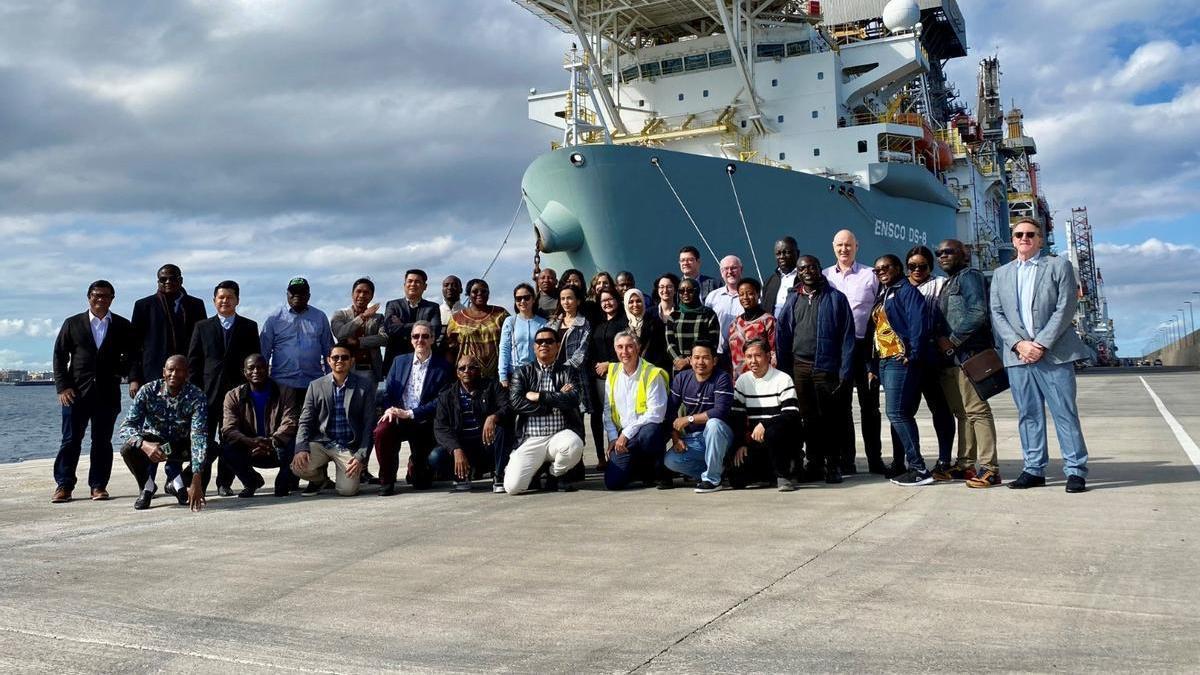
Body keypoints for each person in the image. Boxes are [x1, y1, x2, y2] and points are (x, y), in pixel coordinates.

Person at [990, 217, 1090, 493]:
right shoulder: (1002, 274)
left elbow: (1066, 306)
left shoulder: (1059, 266)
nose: (1024, 238)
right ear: (1012, 240)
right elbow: (996, 314)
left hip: (1054, 354)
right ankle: (1033, 469)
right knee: (1028, 414)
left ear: (1040, 239)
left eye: (1030, 234)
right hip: (1018, 357)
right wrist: (1019, 344)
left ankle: (1075, 470)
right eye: (1019, 234)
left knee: (1065, 413)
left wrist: (1041, 344)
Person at [51, 280, 137, 503]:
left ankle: (98, 486)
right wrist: (63, 387)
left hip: (107, 393)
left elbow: (133, 355)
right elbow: (60, 356)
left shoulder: (121, 325)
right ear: (88, 297)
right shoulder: (72, 323)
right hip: (76, 393)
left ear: (112, 298)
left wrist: (127, 376)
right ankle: (64, 485)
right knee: (70, 440)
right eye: (96, 295)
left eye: (106, 296)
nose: (101, 299)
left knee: (102, 441)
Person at [776, 255, 856, 484]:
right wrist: (784, 369)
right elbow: (783, 335)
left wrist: (845, 370)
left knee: (830, 419)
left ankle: (833, 465)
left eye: (812, 266)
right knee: (809, 419)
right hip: (799, 367)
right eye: (803, 268)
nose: (808, 271)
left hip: (826, 367)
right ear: (798, 273)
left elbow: (847, 337)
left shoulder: (836, 299)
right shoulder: (793, 300)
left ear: (820, 269)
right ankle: (815, 464)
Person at [935, 239, 1002, 488]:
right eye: (939, 253)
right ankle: (965, 464)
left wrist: (952, 340)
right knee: (962, 413)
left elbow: (978, 311)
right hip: (951, 358)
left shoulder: (969, 276)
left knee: (977, 411)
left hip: (968, 354)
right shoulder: (948, 283)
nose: (942, 256)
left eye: (948, 251)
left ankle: (990, 468)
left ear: (965, 254)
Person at [186, 280, 261, 496]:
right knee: (205, 440)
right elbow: (194, 362)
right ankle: (201, 482)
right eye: (221, 297)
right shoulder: (202, 327)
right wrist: (195, 392)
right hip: (207, 394)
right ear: (214, 300)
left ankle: (224, 483)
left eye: (229, 297)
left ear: (237, 300)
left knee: (231, 439)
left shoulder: (249, 326)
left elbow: (254, 362)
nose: (225, 301)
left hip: (238, 396)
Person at [868, 254, 933, 487]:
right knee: (899, 413)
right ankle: (905, 464)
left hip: (900, 360)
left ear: (898, 268)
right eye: (877, 270)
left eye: (886, 267)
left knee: (897, 413)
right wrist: (873, 365)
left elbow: (918, 324)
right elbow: (878, 331)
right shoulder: (883, 292)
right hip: (885, 361)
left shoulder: (907, 291)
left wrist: (912, 354)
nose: (881, 272)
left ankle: (919, 468)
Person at [117, 355, 207, 511]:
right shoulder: (147, 391)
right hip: (154, 443)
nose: (174, 374)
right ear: (163, 372)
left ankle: (178, 482)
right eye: (170, 370)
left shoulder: (197, 396)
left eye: (179, 371)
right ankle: (147, 487)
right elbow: (126, 426)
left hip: (179, 445)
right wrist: (145, 445)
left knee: (211, 448)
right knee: (128, 449)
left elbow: (198, 436)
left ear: (186, 373)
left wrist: (196, 479)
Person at [825, 230, 882, 474]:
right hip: (838, 351)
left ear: (857, 246)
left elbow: (882, 312)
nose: (844, 250)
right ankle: (847, 460)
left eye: (848, 245)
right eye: (839, 245)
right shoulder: (825, 276)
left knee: (870, 407)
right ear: (833, 247)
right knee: (842, 407)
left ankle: (875, 460)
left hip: (864, 348)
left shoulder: (870, 275)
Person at [504, 326, 586, 495]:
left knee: (574, 445)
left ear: (557, 346)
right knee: (513, 488)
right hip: (531, 438)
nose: (544, 345)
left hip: (559, 435)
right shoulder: (523, 372)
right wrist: (554, 400)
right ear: (534, 347)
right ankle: (534, 469)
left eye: (549, 341)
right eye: (539, 342)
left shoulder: (568, 371)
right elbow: (516, 403)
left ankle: (554, 474)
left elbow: (574, 398)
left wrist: (539, 396)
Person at [373, 321, 452, 495]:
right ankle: (386, 479)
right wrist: (389, 409)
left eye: (425, 336)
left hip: (424, 422)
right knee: (382, 430)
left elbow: (441, 401)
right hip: (399, 418)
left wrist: (411, 413)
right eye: (416, 336)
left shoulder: (443, 367)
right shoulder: (399, 361)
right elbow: (389, 392)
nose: (420, 340)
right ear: (411, 340)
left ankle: (414, 465)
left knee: (421, 483)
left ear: (432, 339)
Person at [292, 343, 377, 497]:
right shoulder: (316, 386)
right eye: (335, 357)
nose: (339, 360)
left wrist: (360, 457)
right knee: (298, 466)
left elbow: (369, 425)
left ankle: (344, 477)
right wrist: (301, 448)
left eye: (344, 357)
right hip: (322, 442)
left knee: (347, 490)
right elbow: (305, 420)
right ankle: (321, 480)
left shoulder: (365, 386)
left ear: (351, 361)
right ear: (328, 361)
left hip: (348, 446)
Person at [901, 246, 956, 480]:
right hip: (907, 361)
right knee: (903, 411)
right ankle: (905, 459)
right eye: (912, 266)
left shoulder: (940, 285)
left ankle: (944, 459)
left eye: (922, 266)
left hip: (933, 359)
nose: (916, 270)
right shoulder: (899, 288)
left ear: (930, 267)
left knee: (940, 410)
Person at [220, 354, 300, 497]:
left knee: (296, 442)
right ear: (245, 372)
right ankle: (251, 482)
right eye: (251, 368)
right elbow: (229, 428)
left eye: (260, 367)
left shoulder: (286, 392)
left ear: (268, 369)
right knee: (227, 447)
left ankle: (284, 481)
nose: (256, 371)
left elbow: (291, 422)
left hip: (277, 447)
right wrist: (250, 441)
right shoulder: (233, 396)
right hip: (250, 448)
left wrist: (272, 441)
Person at [432, 354, 512, 492]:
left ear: (479, 370)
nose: (466, 371)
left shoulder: (492, 386)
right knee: (435, 457)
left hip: (487, 445)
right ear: (457, 373)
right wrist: (455, 449)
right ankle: (462, 474)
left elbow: (507, 406)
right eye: (462, 368)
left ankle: (499, 475)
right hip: (463, 446)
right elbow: (441, 428)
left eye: (471, 368)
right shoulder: (447, 395)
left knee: (502, 429)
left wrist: (493, 417)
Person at [664, 341, 734, 492]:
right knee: (671, 461)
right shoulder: (682, 378)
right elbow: (669, 412)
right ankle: (718, 471)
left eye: (705, 358)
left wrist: (689, 419)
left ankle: (712, 480)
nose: (700, 362)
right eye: (696, 357)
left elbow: (720, 411)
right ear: (690, 360)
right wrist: (676, 437)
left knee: (713, 424)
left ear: (714, 360)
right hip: (696, 438)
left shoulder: (723, 378)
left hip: (721, 436)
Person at [730, 339, 801, 490]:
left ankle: (783, 476)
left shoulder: (783, 378)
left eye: (758, 356)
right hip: (757, 439)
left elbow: (791, 415)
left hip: (782, 438)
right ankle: (767, 474)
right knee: (736, 480)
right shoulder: (743, 380)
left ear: (768, 356)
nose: (753, 361)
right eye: (749, 356)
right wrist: (740, 444)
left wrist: (765, 424)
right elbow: (738, 417)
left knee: (774, 432)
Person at [602, 332, 669, 490]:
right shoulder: (612, 373)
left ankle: (657, 470)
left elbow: (656, 413)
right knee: (612, 482)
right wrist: (613, 438)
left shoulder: (652, 374)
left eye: (629, 346)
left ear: (638, 348)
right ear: (615, 349)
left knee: (649, 434)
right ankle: (636, 469)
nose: (624, 351)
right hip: (623, 435)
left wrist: (626, 434)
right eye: (620, 347)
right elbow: (607, 409)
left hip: (645, 430)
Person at [129, 264, 207, 396]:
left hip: (188, 375)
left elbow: (202, 343)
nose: (168, 282)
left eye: (172, 279)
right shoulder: (144, 306)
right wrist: (134, 378)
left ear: (181, 280)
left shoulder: (196, 305)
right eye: (163, 279)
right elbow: (133, 346)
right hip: (153, 375)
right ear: (158, 281)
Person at [260, 277, 334, 391]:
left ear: (309, 295)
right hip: (281, 385)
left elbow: (328, 351)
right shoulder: (273, 319)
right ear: (287, 294)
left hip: (314, 384)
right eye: (293, 292)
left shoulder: (320, 317)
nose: (297, 295)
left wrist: (331, 382)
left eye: (302, 292)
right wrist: (263, 384)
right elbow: (264, 353)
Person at [588, 289, 627, 469]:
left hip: (618, 374)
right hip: (599, 378)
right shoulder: (598, 323)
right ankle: (601, 456)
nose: (607, 303)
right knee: (599, 416)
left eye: (610, 299)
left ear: (617, 301)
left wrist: (609, 364)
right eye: (603, 300)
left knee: (618, 415)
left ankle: (621, 451)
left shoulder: (623, 323)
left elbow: (627, 352)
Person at [446, 279, 510, 380]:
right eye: (475, 291)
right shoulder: (456, 318)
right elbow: (450, 349)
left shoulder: (501, 314)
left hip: (497, 375)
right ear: (468, 294)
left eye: (484, 291)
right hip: (467, 375)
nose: (479, 294)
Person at [383, 269, 442, 373]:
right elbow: (390, 329)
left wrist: (402, 325)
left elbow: (435, 330)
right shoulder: (393, 305)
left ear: (425, 286)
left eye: (417, 282)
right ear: (404, 284)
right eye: (410, 281)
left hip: (426, 362)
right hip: (397, 361)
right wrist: (423, 325)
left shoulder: (433, 307)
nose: (413, 284)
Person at [331, 278, 386, 385]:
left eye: (366, 292)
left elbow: (384, 338)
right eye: (358, 291)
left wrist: (358, 342)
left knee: (370, 401)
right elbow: (340, 333)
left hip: (370, 370)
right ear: (352, 294)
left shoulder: (378, 318)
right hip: (346, 370)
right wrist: (363, 317)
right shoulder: (340, 315)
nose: (361, 295)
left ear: (371, 296)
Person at [665, 277, 719, 373]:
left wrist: (693, 360)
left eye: (690, 290)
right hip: (680, 368)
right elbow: (670, 344)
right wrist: (679, 360)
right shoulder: (674, 316)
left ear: (697, 291)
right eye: (681, 291)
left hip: (702, 366)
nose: (685, 293)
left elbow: (713, 343)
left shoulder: (708, 314)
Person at [499, 283, 549, 386]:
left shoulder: (543, 323)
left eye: (526, 298)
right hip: (514, 374)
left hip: (537, 374)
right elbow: (504, 348)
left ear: (533, 299)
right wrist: (503, 376)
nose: (522, 301)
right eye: (518, 298)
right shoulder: (510, 321)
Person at [727, 278, 776, 377]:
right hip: (739, 380)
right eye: (741, 294)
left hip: (762, 378)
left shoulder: (768, 321)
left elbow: (774, 353)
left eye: (750, 293)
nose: (745, 297)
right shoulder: (734, 324)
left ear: (758, 295)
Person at [704, 255, 745, 357]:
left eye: (733, 268)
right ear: (721, 272)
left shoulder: (752, 296)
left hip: (744, 354)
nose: (730, 271)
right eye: (726, 269)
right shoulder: (712, 297)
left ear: (741, 269)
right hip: (718, 354)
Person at [624, 287, 670, 372]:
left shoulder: (654, 322)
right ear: (626, 304)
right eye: (631, 302)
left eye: (638, 301)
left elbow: (661, 350)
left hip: (652, 370)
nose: (635, 305)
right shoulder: (622, 324)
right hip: (630, 372)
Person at [761, 237, 799, 318]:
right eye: (778, 253)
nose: (782, 256)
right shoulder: (769, 281)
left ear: (797, 253)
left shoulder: (804, 279)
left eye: (787, 252)